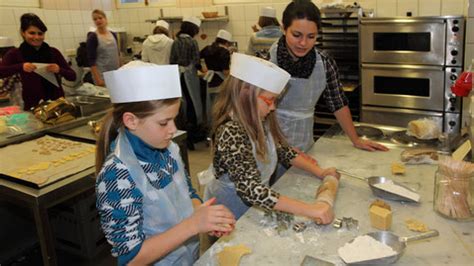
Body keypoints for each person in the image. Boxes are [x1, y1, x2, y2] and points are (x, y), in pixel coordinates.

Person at [95, 61, 235, 266]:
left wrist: (202, 215)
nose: (172, 129)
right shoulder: (117, 176)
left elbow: (187, 192)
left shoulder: (168, 149)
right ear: (131, 121)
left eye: (174, 119)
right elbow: (131, 259)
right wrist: (192, 225)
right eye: (163, 122)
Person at [204, 53, 340, 223]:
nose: (273, 107)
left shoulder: (259, 120)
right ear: (246, 94)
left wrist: (320, 172)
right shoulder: (231, 131)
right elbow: (251, 189)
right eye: (269, 101)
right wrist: (311, 210)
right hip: (228, 210)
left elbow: (283, 151)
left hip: (256, 203)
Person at [269, 0, 388, 153]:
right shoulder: (267, 59)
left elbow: (337, 103)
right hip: (269, 143)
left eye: (311, 36)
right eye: (296, 35)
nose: (303, 43)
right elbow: (251, 107)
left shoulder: (324, 63)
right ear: (283, 29)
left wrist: (356, 139)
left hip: (304, 141)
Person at [0, 14, 76, 110]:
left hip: (57, 104)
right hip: (32, 106)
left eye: (40, 33)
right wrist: (21, 66)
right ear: (23, 33)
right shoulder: (15, 54)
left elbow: (72, 76)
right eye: (32, 33)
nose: (36, 37)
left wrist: (59, 69)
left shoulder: (53, 52)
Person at [170, 16, 203, 149]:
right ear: (193, 29)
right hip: (190, 76)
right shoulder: (192, 42)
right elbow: (196, 60)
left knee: (183, 104)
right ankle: (193, 135)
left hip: (178, 76)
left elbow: (172, 61)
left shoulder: (176, 42)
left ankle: (184, 134)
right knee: (194, 104)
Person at [200, 29, 232, 120]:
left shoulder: (207, 48)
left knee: (211, 106)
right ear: (226, 42)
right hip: (221, 82)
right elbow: (226, 71)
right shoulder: (224, 52)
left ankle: (211, 126)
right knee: (221, 106)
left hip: (210, 80)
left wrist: (203, 69)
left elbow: (196, 59)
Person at [86, 9, 120, 86]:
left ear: (105, 19)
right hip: (102, 75)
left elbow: (118, 54)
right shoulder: (93, 37)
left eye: (100, 18)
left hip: (115, 73)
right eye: (95, 19)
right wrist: (98, 80)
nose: (98, 20)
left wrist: (121, 70)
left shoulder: (113, 35)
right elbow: (91, 61)